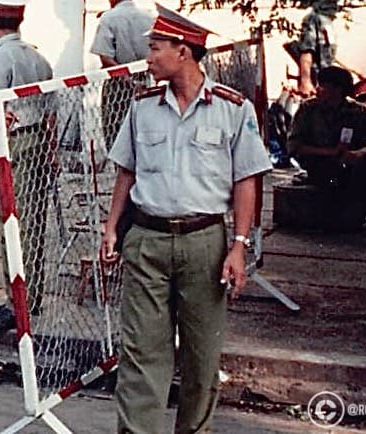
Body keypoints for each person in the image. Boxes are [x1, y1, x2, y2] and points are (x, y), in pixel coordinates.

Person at [99, 4, 272, 433]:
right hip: (147, 240)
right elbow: (126, 171)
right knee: (141, 354)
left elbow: (247, 181)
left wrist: (239, 245)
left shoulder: (232, 108)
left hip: (205, 244)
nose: (148, 58)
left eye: (156, 48)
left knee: (201, 357)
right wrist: (111, 227)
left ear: (184, 51)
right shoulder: (142, 106)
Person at [0, 0, 54, 331]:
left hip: (12, 143)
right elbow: (50, 111)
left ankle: (17, 301)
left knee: (11, 223)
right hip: (37, 139)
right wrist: (51, 151)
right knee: (32, 222)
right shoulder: (37, 56)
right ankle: (26, 294)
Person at [286, 66, 366, 252]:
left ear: (337, 90)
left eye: (323, 86)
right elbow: (294, 147)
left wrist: (359, 154)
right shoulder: (308, 110)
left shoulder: (358, 112)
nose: (318, 90)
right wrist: (331, 153)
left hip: (351, 165)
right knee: (364, 181)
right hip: (321, 167)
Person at [90, 0, 153, 151]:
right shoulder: (149, 17)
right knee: (144, 131)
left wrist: (127, 81)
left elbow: (105, 57)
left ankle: (121, 171)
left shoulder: (109, 18)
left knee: (116, 133)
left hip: (118, 84)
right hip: (145, 81)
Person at [296, 0, 338, 96]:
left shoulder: (329, 22)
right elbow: (307, 51)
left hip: (332, 85)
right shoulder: (314, 19)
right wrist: (305, 81)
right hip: (319, 85)